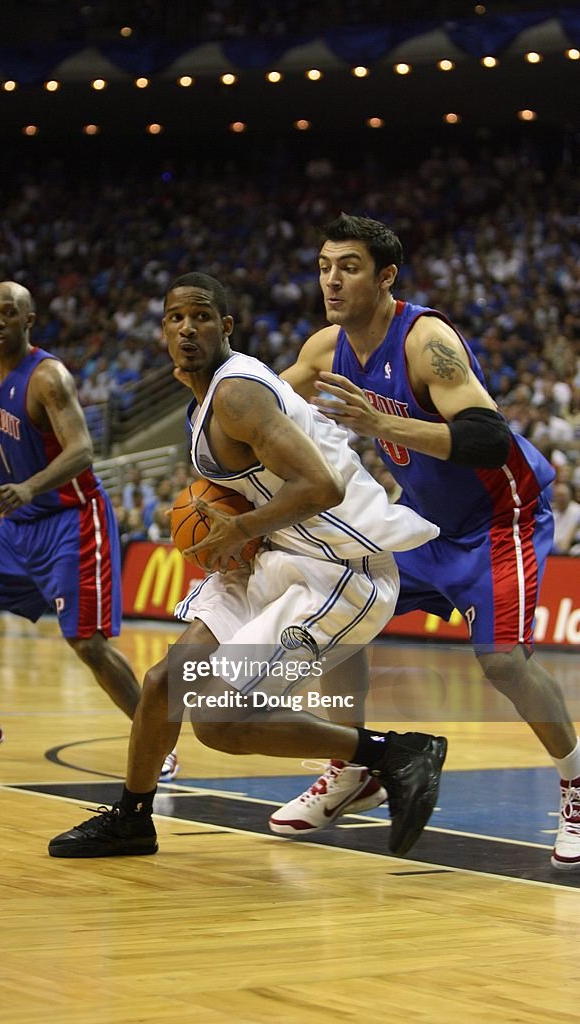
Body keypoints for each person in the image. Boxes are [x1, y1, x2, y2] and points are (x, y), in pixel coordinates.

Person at [48, 272, 447, 859]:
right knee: (164, 683)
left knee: (215, 718)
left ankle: (392, 753)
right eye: (176, 317)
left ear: (225, 326)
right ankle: (133, 818)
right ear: (162, 330)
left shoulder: (237, 393)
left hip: (339, 570)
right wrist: (203, 515)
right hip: (281, 553)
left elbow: (321, 485)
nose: (188, 328)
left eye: (202, 316)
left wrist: (236, 529)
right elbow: (247, 486)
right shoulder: (204, 401)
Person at [277, 213, 580, 871]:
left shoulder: (424, 341)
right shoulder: (325, 348)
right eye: (325, 265)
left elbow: (487, 439)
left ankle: (577, 785)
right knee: (339, 606)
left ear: (385, 276)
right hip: (425, 522)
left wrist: (377, 420)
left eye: (348, 266)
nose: (331, 279)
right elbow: (260, 403)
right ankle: (354, 765)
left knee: (501, 662)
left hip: (500, 518)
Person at [0, 281, 179, 783]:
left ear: (28, 320)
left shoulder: (48, 376)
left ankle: (157, 742)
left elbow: (82, 450)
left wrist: (27, 488)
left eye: (8, 314)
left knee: (88, 643)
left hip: (70, 518)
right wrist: (5, 499)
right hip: (20, 522)